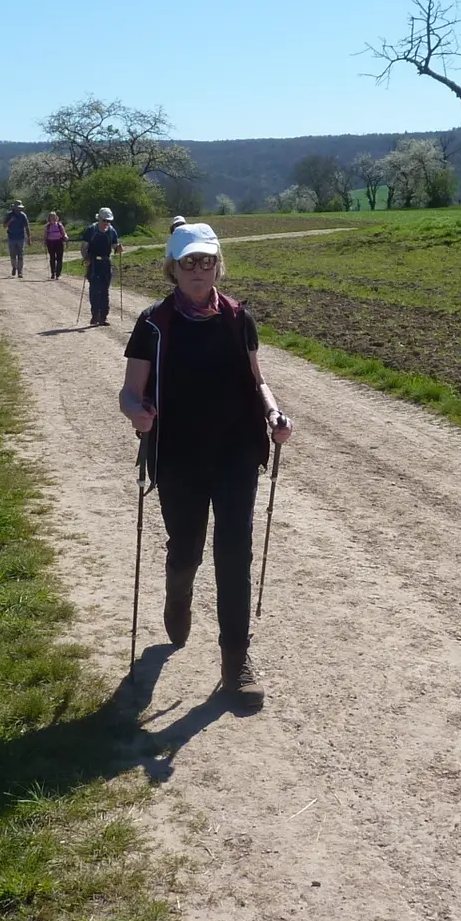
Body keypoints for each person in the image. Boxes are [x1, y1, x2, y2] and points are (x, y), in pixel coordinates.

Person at [120, 223, 293, 707]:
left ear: (219, 264)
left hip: (237, 450)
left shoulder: (239, 318)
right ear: (172, 268)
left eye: (207, 261)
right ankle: (179, 591)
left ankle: (236, 659)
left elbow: (257, 380)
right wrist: (137, 412)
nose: (198, 270)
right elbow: (130, 391)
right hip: (178, 453)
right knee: (188, 546)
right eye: (188, 262)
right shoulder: (154, 323)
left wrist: (273, 412)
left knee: (235, 550)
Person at [79, 207, 123, 326]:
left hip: (106, 263)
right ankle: (95, 315)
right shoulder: (91, 230)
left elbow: (115, 247)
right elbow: (84, 247)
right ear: (99, 219)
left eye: (108, 221)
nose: (106, 223)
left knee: (104, 290)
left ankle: (103, 317)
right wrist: (86, 258)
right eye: (104, 220)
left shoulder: (111, 231)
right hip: (93, 263)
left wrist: (118, 249)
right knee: (94, 290)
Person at [5, 200, 31, 278]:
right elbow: (4, 226)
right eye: (18, 208)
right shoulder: (9, 215)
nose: (19, 209)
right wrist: (10, 221)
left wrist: (29, 238)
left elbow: (27, 227)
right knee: (12, 254)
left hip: (21, 237)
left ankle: (20, 271)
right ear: (14, 208)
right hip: (11, 237)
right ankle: (14, 267)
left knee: (20, 254)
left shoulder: (23, 215)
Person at [44, 211, 67, 280]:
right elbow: (45, 235)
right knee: (52, 258)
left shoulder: (59, 225)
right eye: (52, 217)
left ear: (56, 217)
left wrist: (66, 237)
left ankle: (58, 273)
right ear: (49, 218)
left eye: (54, 216)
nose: (53, 218)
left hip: (59, 242)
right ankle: (53, 273)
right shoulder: (47, 226)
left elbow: (64, 233)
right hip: (50, 243)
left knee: (60, 258)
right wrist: (45, 242)